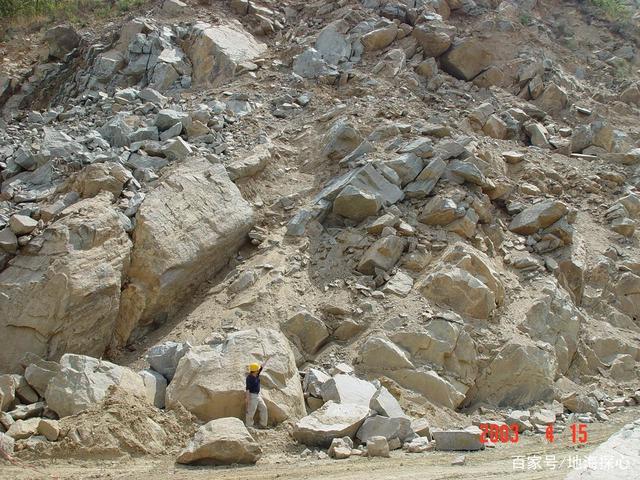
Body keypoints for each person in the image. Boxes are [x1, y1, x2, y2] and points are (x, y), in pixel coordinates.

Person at [245, 362, 268, 428]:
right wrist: (247, 399)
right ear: (254, 371)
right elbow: (247, 389)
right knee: (251, 411)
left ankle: (263, 424)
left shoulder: (256, 374)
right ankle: (249, 426)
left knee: (264, 408)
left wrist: (266, 360)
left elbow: (261, 367)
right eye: (257, 369)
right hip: (252, 396)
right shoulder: (249, 378)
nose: (258, 370)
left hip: (258, 395)